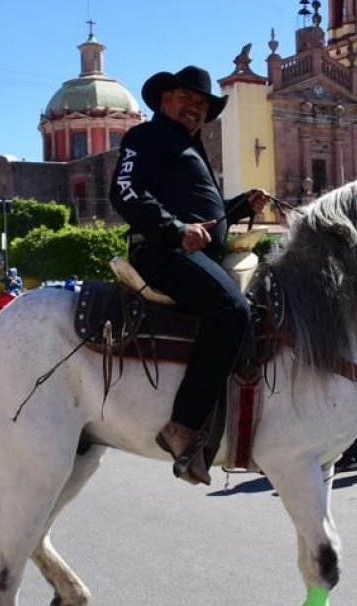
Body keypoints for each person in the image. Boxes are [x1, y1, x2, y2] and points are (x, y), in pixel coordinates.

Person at [110, 65, 271, 486]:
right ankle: (182, 425)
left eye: (201, 103)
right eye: (186, 98)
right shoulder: (146, 136)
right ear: (165, 99)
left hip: (191, 251)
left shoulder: (189, 147)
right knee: (232, 311)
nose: (194, 108)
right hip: (162, 251)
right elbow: (124, 191)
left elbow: (205, 215)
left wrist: (240, 205)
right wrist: (175, 230)